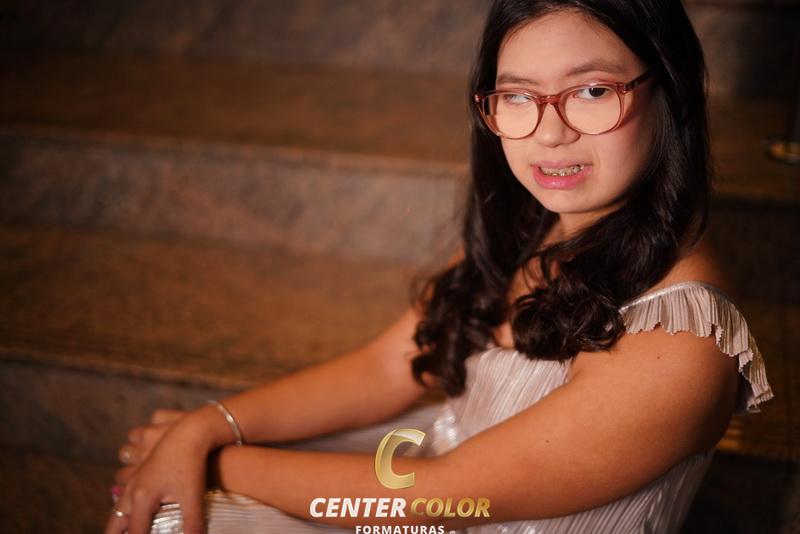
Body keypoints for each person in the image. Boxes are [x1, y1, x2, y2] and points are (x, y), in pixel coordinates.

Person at [105, 1, 776, 533]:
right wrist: (208, 424)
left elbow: (446, 497)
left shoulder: (680, 344)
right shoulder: (537, 229)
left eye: (593, 90)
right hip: (433, 473)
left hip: (445, 500)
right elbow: (386, 366)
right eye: (518, 95)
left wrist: (214, 461)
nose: (549, 132)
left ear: (671, 92)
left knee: (175, 516)